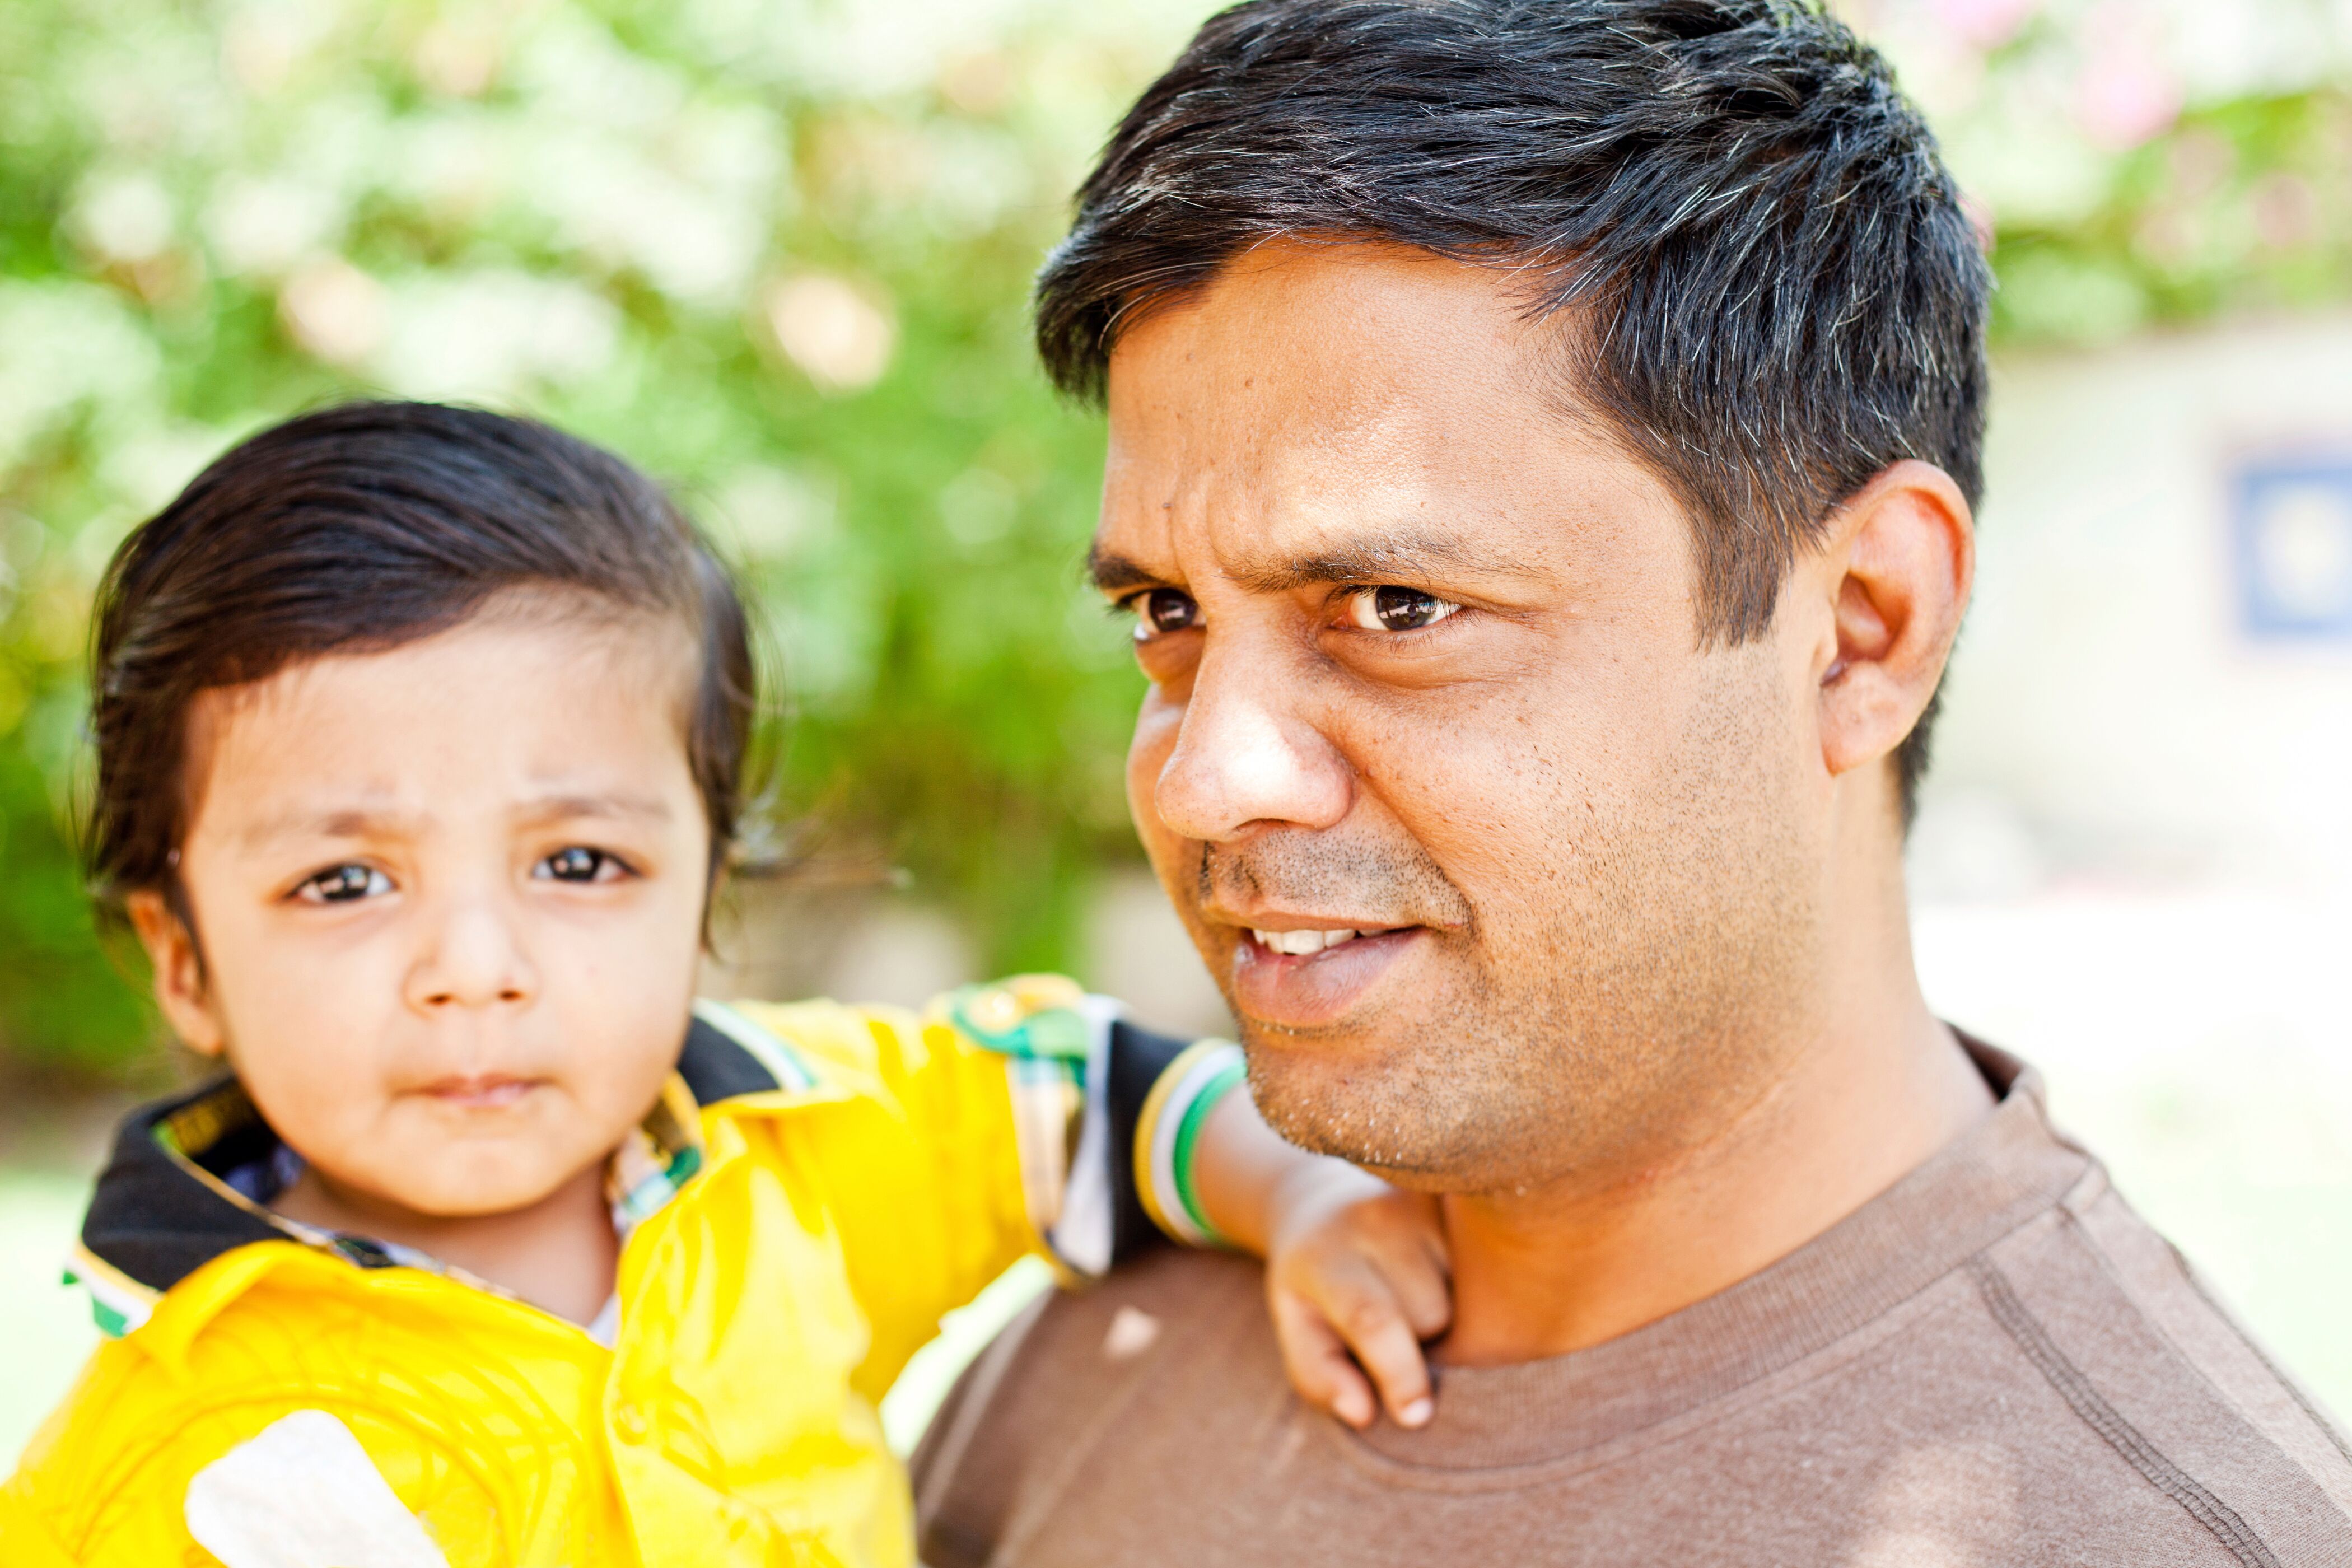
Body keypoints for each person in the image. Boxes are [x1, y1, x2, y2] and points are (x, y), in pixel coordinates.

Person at [909, 2, 2352, 1563]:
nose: (1206, 779)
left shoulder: (2154, 1527)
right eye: (1166, 617)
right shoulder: (1106, 1349)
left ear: (1865, 627)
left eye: (1399, 609)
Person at [0, 402, 1451, 1567]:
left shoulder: (793, 1151)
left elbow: (1081, 1092)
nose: (474, 973)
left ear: (704, 887)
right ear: (186, 961)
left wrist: (1302, 1198)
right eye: (346, 883)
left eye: (575, 865)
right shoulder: (165, 1467)